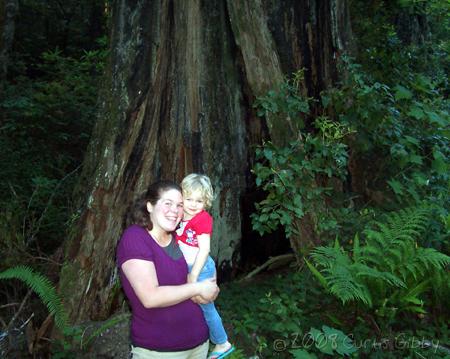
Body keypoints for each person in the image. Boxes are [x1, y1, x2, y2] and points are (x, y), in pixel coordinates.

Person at [116, 180, 219, 358]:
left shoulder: (178, 239)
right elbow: (150, 297)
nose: (175, 210)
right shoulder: (135, 238)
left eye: (180, 205)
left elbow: (202, 273)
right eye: (168, 203)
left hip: (199, 345)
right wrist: (199, 288)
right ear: (150, 206)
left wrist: (209, 286)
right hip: (160, 350)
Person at [176, 174, 235, 359]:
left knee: (206, 306)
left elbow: (204, 250)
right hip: (187, 266)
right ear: (182, 198)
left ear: (206, 201)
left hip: (200, 268)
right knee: (190, 303)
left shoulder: (202, 219)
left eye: (199, 200)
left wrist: (193, 276)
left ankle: (222, 342)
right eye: (189, 199)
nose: (193, 204)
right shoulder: (180, 214)